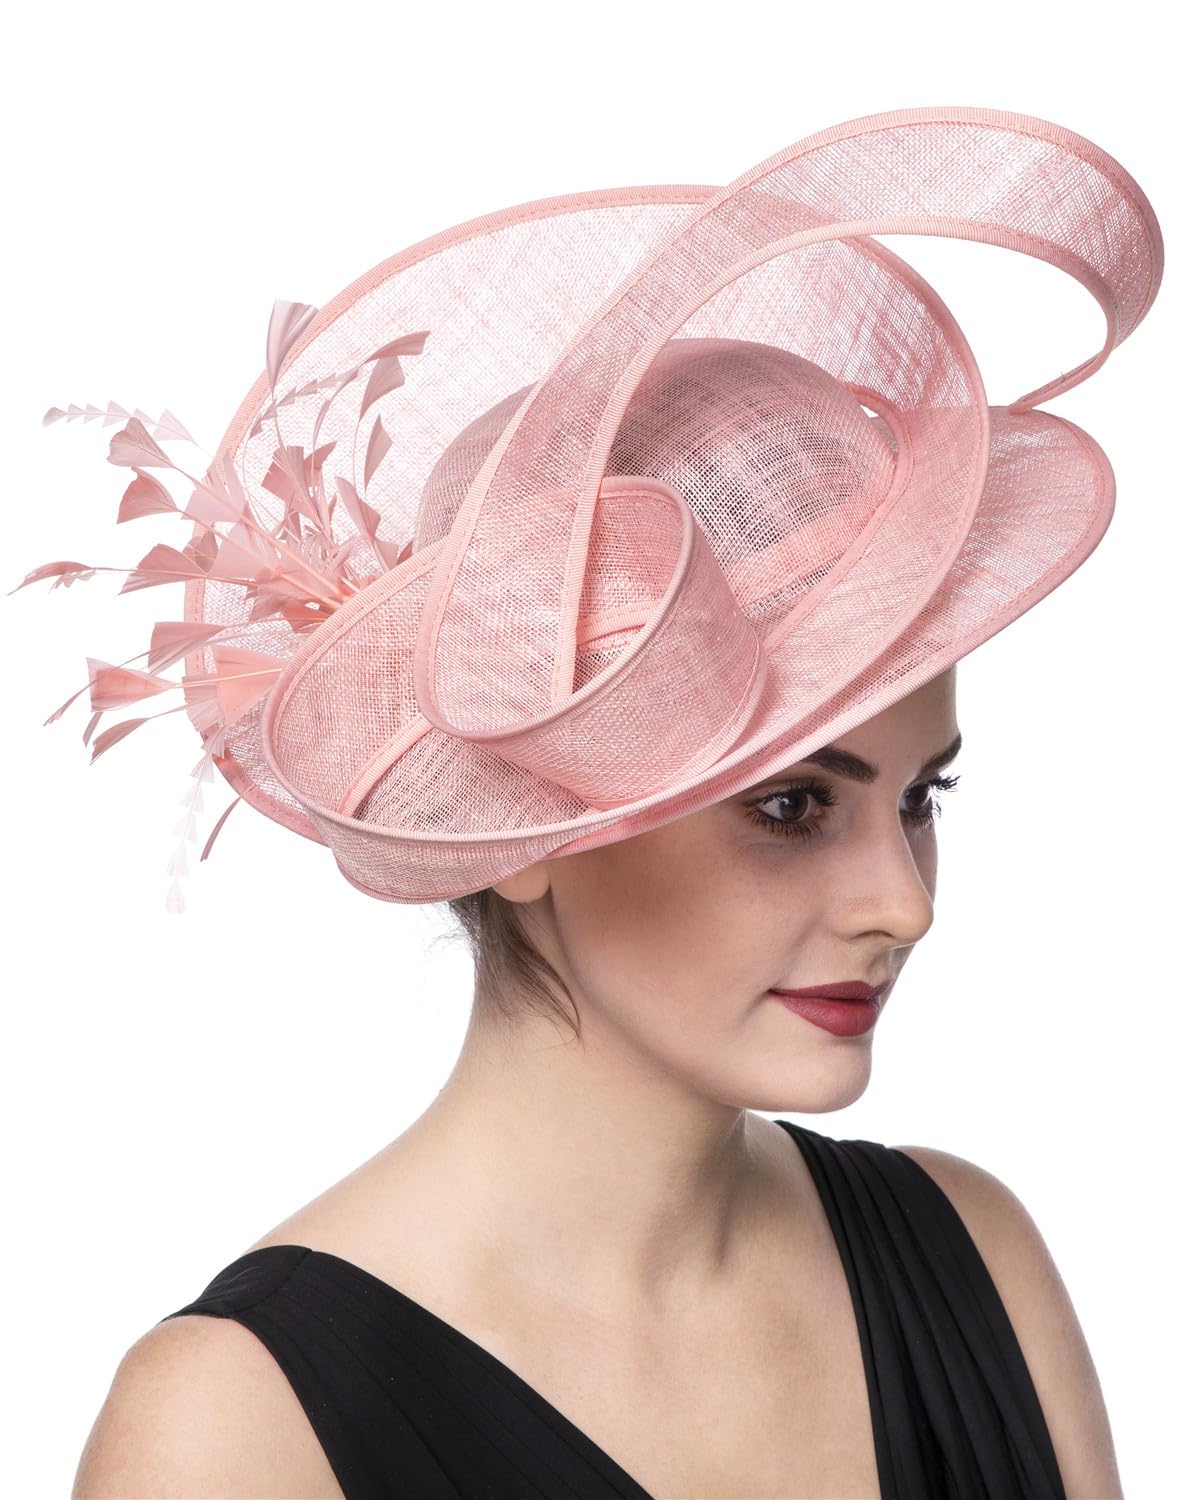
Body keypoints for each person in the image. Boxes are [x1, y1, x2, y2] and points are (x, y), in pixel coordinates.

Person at [21, 106, 1156, 1497]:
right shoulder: (236, 1432)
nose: (903, 905)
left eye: (925, 796)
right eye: (793, 807)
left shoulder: (974, 1258)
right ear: (522, 831)